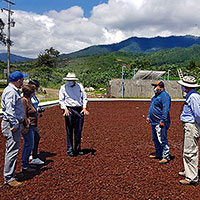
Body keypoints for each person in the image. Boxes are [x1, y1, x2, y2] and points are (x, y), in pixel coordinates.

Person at [1, 71, 28, 187]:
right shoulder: (11, 92)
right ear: (18, 81)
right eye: (22, 80)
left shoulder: (12, 91)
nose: (23, 82)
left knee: (13, 149)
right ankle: (9, 177)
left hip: (13, 123)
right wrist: (15, 124)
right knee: (12, 150)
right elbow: (9, 110)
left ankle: (11, 173)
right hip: (11, 125)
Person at [59, 72, 89, 157]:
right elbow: (61, 100)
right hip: (69, 109)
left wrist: (84, 107)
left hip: (79, 109)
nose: (70, 82)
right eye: (69, 80)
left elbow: (84, 98)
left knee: (78, 130)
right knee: (69, 130)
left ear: (74, 80)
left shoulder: (80, 86)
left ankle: (78, 148)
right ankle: (70, 149)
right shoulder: (63, 88)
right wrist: (64, 108)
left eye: (71, 80)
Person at [177, 76, 200, 186]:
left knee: (190, 151)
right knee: (187, 149)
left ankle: (192, 177)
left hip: (191, 125)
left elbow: (198, 114)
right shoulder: (190, 95)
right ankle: (188, 171)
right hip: (189, 125)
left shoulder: (193, 97)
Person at [147, 80, 171, 164]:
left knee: (162, 139)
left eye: (156, 86)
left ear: (161, 87)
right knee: (155, 139)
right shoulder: (155, 96)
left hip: (160, 122)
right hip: (153, 121)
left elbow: (165, 109)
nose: (154, 88)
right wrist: (148, 116)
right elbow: (152, 107)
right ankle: (158, 153)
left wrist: (163, 120)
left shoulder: (164, 96)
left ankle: (166, 156)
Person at [21, 84, 38, 172]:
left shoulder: (29, 100)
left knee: (30, 144)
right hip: (28, 126)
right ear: (31, 93)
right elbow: (23, 114)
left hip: (32, 125)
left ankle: (26, 164)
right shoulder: (24, 101)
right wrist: (26, 125)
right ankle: (24, 165)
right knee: (28, 145)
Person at [28, 80, 44, 165]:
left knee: (35, 137)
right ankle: (32, 156)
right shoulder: (26, 95)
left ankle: (31, 155)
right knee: (34, 137)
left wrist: (38, 109)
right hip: (30, 120)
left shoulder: (33, 95)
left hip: (34, 118)